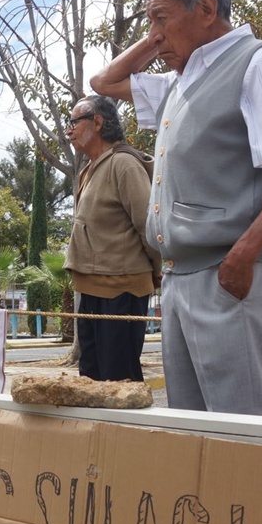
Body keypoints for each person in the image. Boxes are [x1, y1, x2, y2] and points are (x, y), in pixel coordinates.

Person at [91, 0, 262, 415]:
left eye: (161, 19)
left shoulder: (259, 63)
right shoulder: (182, 83)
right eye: (150, 23)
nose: (155, 36)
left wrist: (242, 256)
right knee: (193, 427)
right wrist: (159, 33)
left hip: (229, 273)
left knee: (243, 426)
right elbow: (104, 83)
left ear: (208, 9)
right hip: (181, 278)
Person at [62, 95, 159, 382]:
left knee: (120, 378)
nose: (68, 130)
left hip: (121, 290)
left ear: (98, 122)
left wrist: (157, 271)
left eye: (73, 121)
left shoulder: (123, 163)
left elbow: (147, 225)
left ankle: (123, 430)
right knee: (90, 376)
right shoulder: (89, 169)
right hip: (92, 289)